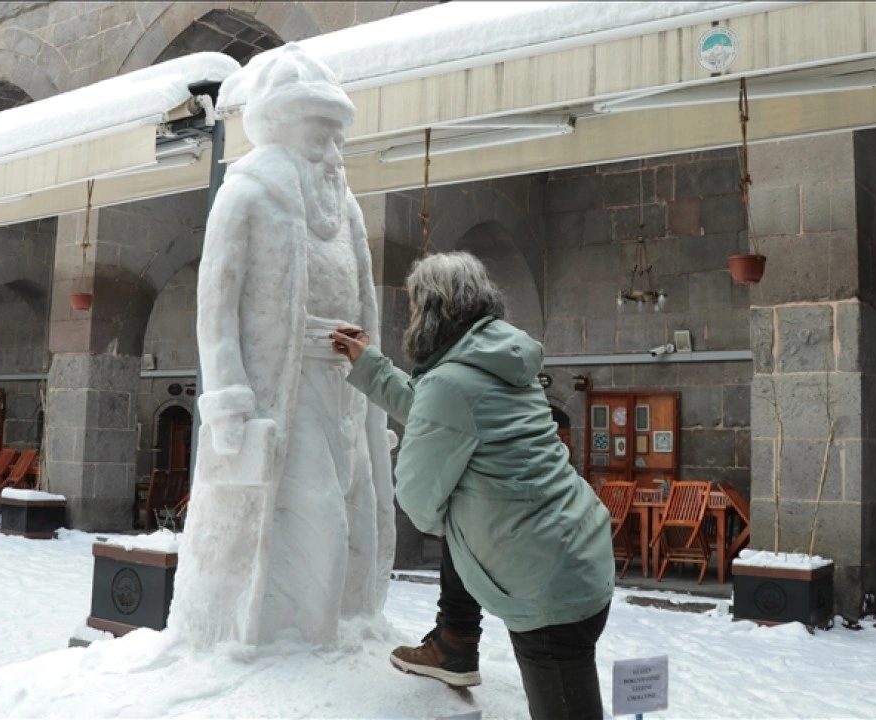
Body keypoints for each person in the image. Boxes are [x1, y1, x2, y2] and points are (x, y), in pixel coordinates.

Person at [169, 44, 394, 648]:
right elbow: (214, 306)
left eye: (337, 137)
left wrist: (372, 380)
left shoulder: (344, 209)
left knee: (356, 512)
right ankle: (299, 641)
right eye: (319, 136)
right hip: (282, 389)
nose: (333, 154)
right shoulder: (246, 195)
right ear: (284, 131)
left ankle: (347, 626)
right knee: (318, 513)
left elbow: (365, 300)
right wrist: (228, 394)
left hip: (346, 383)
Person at [331, 252, 614, 719]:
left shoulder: (451, 382)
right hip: (576, 552)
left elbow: (419, 499)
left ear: (435, 310)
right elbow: (438, 413)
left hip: (543, 584)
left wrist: (462, 518)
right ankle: (454, 641)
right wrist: (372, 367)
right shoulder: (496, 361)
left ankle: (455, 641)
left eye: (417, 306)